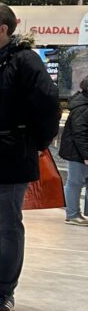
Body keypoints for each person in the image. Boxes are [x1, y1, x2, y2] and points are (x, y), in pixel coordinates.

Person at [0, 3, 61, 311]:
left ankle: (4, 291)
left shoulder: (25, 60)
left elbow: (48, 105)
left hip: (10, 156)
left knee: (7, 227)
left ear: (3, 29)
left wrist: (35, 143)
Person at [61, 76, 88, 226]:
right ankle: (72, 214)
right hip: (77, 152)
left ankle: (76, 214)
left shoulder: (82, 103)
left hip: (80, 151)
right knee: (75, 182)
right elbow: (80, 133)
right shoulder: (83, 107)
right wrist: (86, 155)